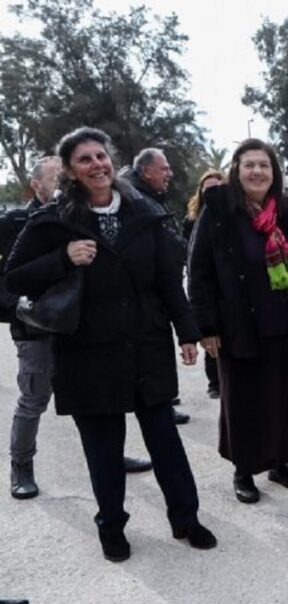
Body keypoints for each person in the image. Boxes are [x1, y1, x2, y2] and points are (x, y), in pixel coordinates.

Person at [4, 127, 216, 562]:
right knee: (103, 449)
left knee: (165, 441)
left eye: (100, 156)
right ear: (69, 171)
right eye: (84, 159)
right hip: (87, 351)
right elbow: (14, 278)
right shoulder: (52, 221)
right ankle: (112, 527)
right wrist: (63, 257)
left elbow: (167, 280)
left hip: (146, 344)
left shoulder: (145, 212)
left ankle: (186, 517)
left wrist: (188, 332)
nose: (97, 165)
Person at [1, 157, 153, 500]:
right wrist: (24, 309)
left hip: (85, 326)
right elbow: (9, 279)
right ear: (36, 185)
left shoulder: (83, 214)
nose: (65, 182)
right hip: (37, 327)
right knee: (35, 397)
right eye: (55, 178)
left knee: (101, 394)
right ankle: (21, 466)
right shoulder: (16, 222)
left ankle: (112, 455)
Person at [187, 139, 288, 504]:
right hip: (236, 323)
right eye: (249, 164)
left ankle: (280, 462)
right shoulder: (218, 208)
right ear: (237, 170)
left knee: (281, 396)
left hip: (282, 320)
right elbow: (199, 269)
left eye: (264, 165)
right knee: (242, 399)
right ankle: (244, 469)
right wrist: (207, 328)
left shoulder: (287, 209)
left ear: (274, 172)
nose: (257, 172)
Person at [128, 147, 190, 425]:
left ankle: (165, 402)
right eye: (164, 169)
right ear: (146, 171)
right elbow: (168, 243)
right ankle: (161, 405)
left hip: (164, 287)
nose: (169, 174)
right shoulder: (139, 201)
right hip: (152, 295)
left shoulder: (151, 198)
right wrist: (191, 253)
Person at [182, 170, 225, 399]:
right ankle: (214, 382)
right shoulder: (193, 220)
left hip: (227, 289)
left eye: (218, 186)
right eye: (208, 188)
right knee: (211, 335)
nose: (213, 192)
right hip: (206, 286)